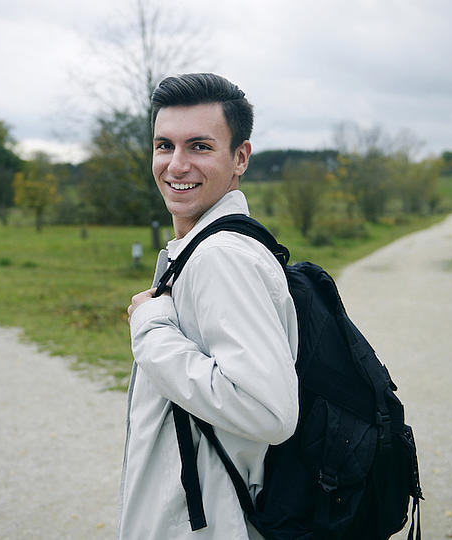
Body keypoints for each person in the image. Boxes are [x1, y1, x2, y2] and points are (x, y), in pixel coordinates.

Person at [117, 73, 299, 539]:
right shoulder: (210, 248)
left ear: (240, 157)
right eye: (164, 146)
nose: (176, 165)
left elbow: (268, 412)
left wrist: (151, 325)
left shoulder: (222, 256)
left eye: (199, 146)